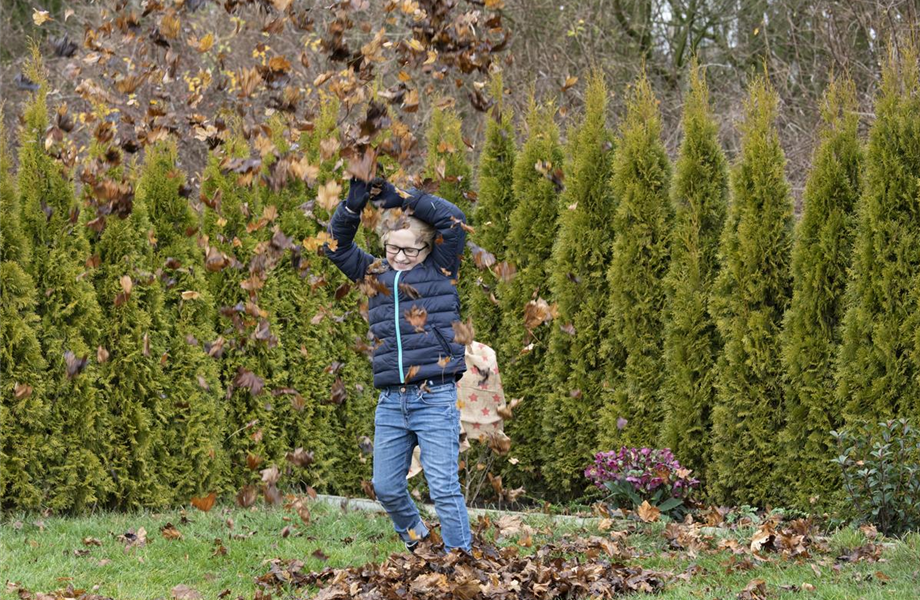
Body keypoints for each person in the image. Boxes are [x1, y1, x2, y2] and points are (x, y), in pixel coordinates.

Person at [324, 175, 472, 554]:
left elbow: (454, 219)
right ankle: (420, 545)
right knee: (387, 487)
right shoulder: (375, 274)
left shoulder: (441, 269)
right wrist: (352, 206)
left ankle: (462, 561)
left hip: (434, 396)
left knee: (443, 487)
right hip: (392, 401)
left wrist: (400, 198)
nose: (400, 257)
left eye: (410, 250)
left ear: (428, 247)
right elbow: (336, 247)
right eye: (393, 248)